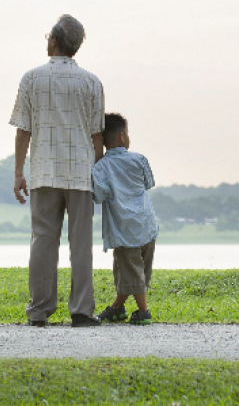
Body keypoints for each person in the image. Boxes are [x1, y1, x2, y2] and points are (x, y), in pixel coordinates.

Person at [10, 14, 104, 328]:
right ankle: (80, 310)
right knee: (80, 244)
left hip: (44, 171)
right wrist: (99, 172)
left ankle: (39, 310)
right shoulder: (92, 82)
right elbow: (96, 135)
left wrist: (18, 172)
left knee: (43, 241)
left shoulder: (31, 79)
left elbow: (24, 130)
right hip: (80, 173)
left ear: (53, 40)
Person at [92, 113, 159, 325]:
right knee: (138, 269)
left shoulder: (100, 167)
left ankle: (134, 310)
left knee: (127, 268)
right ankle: (129, 309)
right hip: (146, 223)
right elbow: (149, 183)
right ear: (122, 137)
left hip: (122, 226)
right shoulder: (139, 159)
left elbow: (98, 195)